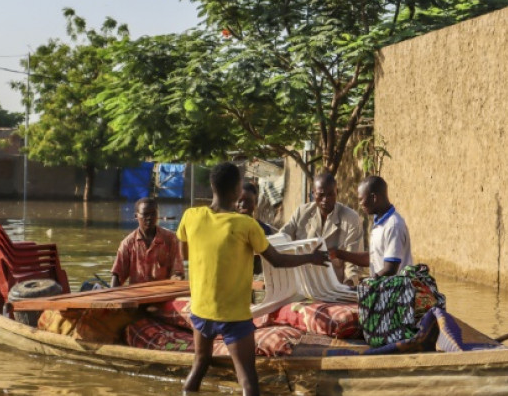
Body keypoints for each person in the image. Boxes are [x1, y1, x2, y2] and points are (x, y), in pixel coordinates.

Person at [177, 162, 328, 396]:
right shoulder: (246, 225)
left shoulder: (191, 216)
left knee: (199, 364)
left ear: (211, 186)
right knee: (248, 380)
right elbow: (276, 260)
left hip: (200, 312)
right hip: (233, 316)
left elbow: (184, 254)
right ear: (237, 191)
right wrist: (312, 257)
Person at [280, 172, 365, 286]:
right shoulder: (301, 213)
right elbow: (282, 239)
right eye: (321, 195)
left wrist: (346, 286)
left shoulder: (351, 219)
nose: (325, 199)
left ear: (337, 193)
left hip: (335, 287)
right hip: (303, 285)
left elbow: (353, 264)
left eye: (330, 194)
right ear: (313, 193)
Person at [329, 175, 413, 279]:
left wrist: (367, 283)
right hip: (383, 290)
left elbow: (390, 269)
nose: (360, 204)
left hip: (396, 292)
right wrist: (338, 254)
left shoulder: (393, 225)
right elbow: (373, 258)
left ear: (374, 197)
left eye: (361, 199)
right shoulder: (380, 223)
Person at [110, 197, 184, 287]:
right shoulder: (128, 244)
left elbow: (178, 272)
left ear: (158, 214)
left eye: (153, 214)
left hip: (164, 294)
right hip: (137, 296)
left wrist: (173, 283)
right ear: (136, 216)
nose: (150, 218)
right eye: (145, 214)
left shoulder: (170, 239)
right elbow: (117, 275)